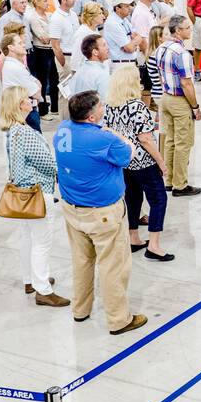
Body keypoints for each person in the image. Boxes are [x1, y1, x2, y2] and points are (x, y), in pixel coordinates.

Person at [54, 90, 147, 335]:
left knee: (82, 260)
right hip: (103, 211)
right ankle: (118, 319)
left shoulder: (63, 129)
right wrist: (118, 135)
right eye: (100, 106)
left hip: (73, 207)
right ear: (92, 116)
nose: (104, 107)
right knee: (113, 265)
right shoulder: (102, 139)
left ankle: (80, 309)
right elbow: (129, 155)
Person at [0, 86, 70, 308]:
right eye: (27, 99)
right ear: (20, 104)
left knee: (28, 238)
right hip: (38, 192)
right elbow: (47, 164)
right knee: (42, 242)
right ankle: (43, 290)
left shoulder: (12, 131)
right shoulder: (27, 132)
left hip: (23, 193)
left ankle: (30, 279)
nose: (31, 101)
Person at [103, 65, 173, 262]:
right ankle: (154, 245)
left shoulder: (110, 105)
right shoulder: (137, 106)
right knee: (158, 199)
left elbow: (107, 131)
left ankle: (133, 237)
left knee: (132, 198)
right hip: (143, 162)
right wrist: (161, 161)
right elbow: (146, 139)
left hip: (124, 160)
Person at [154, 15, 201, 196]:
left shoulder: (161, 47)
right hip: (179, 101)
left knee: (171, 140)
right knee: (184, 142)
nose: (190, 29)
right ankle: (180, 184)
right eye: (187, 27)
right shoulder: (182, 54)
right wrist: (195, 106)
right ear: (178, 31)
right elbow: (187, 84)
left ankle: (169, 180)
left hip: (165, 97)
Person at [25, 0, 59, 118]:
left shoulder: (50, 15)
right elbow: (43, 37)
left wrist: (53, 36)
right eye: (45, 1)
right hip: (41, 51)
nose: (47, 3)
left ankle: (55, 106)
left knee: (55, 78)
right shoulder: (33, 17)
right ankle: (43, 110)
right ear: (37, 3)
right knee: (43, 81)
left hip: (52, 49)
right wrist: (54, 36)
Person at [0, 32, 43, 130]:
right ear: (11, 47)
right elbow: (36, 93)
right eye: (20, 43)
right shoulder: (15, 68)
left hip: (23, 110)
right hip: (25, 113)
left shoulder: (17, 65)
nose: (24, 45)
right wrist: (38, 85)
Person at [104, 0, 141, 71]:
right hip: (120, 66)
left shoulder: (124, 19)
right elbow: (129, 48)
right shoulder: (112, 23)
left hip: (129, 63)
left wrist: (133, 42)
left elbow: (138, 37)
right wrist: (134, 43)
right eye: (126, 6)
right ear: (118, 9)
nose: (130, 8)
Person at [71, 34, 111, 100]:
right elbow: (106, 101)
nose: (108, 48)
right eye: (104, 45)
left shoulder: (80, 70)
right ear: (95, 52)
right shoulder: (101, 74)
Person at [69, 4, 105, 74]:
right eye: (100, 13)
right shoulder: (82, 32)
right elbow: (76, 58)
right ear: (92, 16)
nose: (103, 16)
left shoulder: (95, 30)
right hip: (85, 73)